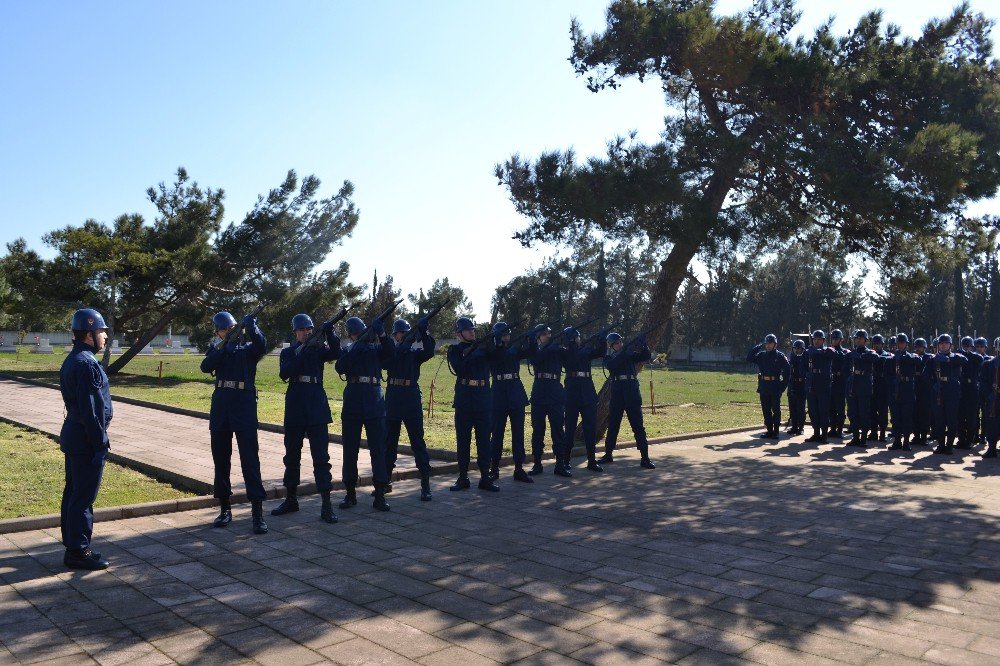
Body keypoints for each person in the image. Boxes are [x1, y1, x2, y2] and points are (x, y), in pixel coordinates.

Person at [200, 311, 269, 534]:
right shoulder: (218, 348)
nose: (228, 332)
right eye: (223, 329)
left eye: (230, 328)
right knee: (221, 459)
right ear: (217, 332)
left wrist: (253, 327)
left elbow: (262, 346)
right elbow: (206, 366)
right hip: (221, 406)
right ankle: (224, 508)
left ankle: (257, 513)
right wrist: (223, 350)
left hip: (244, 405)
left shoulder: (248, 348)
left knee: (250, 459)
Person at [272, 314, 339, 523]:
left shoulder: (320, 350)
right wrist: (305, 350)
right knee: (291, 457)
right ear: (295, 332)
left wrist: (331, 333)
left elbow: (337, 352)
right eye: (301, 330)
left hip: (316, 406)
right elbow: (285, 373)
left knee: (321, 458)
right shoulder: (289, 352)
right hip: (295, 407)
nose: (306, 332)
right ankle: (291, 499)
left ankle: (326, 504)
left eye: (308, 329)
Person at [59, 308, 112, 570]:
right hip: (85, 439)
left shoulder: (74, 359)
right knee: (83, 497)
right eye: (101, 331)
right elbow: (92, 412)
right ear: (90, 334)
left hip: (74, 435)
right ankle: (78, 551)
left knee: (73, 493)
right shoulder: (87, 363)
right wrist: (100, 442)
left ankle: (72, 544)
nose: (104, 336)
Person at [335, 316, 394, 511]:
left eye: (361, 332)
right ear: (351, 336)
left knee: (378, 449)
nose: (359, 336)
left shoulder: (376, 349)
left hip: (374, 399)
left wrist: (384, 335)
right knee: (350, 450)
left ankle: (380, 492)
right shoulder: (349, 350)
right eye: (356, 334)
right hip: (353, 400)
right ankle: (350, 493)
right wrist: (356, 349)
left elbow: (391, 355)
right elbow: (340, 367)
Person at [383, 317, 435, 501]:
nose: (403, 335)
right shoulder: (391, 352)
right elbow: (390, 360)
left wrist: (424, 332)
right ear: (395, 335)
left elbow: (429, 351)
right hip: (394, 397)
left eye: (406, 332)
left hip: (411, 396)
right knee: (389, 442)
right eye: (401, 333)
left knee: (417, 442)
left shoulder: (414, 354)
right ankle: (385, 481)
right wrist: (407, 343)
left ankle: (425, 484)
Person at [447, 317, 499, 492]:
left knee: (484, 440)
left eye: (473, 329)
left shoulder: (484, 348)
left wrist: (492, 342)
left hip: (483, 398)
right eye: (468, 330)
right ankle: (463, 477)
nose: (472, 332)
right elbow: (459, 368)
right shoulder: (455, 350)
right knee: (463, 440)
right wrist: (475, 351)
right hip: (464, 399)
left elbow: (497, 357)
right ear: (459, 333)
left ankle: (485, 477)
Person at [487, 322, 534, 483]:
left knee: (518, 434)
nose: (507, 337)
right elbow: (498, 355)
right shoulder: (492, 349)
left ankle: (519, 468)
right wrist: (499, 342)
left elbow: (530, 352)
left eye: (508, 334)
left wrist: (532, 340)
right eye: (503, 334)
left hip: (515, 393)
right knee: (497, 433)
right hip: (499, 393)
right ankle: (494, 468)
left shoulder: (514, 349)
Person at [600, 332, 655, 468]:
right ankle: (608, 454)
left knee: (638, 427)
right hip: (618, 392)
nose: (619, 345)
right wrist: (626, 352)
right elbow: (612, 365)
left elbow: (646, 356)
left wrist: (644, 346)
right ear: (611, 346)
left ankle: (645, 458)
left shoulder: (630, 355)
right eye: (616, 343)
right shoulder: (609, 357)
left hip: (631, 392)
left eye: (620, 342)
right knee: (613, 426)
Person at [563, 327, 608, 471]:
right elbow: (571, 358)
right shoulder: (565, 351)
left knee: (590, 428)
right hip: (572, 393)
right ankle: (565, 460)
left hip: (587, 392)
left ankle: (592, 461)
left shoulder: (585, 351)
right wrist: (580, 347)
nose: (579, 339)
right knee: (569, 427)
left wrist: (601, 340)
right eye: (577, 337)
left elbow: (600, 352)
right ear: (572, 339)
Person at [529, 325, 570, 476]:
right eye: (544, 334)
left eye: (549, 333)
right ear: (538, 337)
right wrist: (551, 346)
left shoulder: (557, 349)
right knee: (538, 430)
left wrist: (568, 341)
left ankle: (560, 464)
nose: (547, 335)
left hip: (555, 391)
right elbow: (535, 359)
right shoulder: (536, 349)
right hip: (539, 392)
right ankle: (537, 463)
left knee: (558, 429)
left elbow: (570, 356)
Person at [924, 333, 968, 455]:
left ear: (950, 345)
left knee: (951, 419)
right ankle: (941, 445)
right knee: (939, 419)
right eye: (941, 343)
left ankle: (949, 446)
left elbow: (965, 360)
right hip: (938, 391)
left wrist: (949, 359)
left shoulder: (956, 357)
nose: (943, 345)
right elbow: (925, 375)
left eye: (946, 343)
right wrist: (933, 383)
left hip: (952, 391)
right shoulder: (933, 359)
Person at [745, 334, 790, 439]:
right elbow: (749, 358)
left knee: (776, 409)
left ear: (775, 344)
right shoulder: (761, 355)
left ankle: (776, 432)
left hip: (775, 386)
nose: (768, 345)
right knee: (766, 409)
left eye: (770, 343)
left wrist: (782, 387)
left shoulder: (780, 356)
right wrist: (758, 346)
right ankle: (769, 431)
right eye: (767, 343)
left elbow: (787, 373)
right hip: (764, 385)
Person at [845, 330, 880, 447]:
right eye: (857, 338)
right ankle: (855, 437)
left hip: (864, 386)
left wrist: (862, 356)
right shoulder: (851, 353)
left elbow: (876, 357)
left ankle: (863, 438)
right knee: (853, 413)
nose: (858, 340)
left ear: (865, 340)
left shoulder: (869, 353)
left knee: (864, 413)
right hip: (853, 385)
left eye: (861, 338)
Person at [887, 333, 921, 451]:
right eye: (898, 343)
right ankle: (897, 441)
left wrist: (902, 357)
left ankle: (906, 441)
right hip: (895, 390)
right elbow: (887, 375)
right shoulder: (890, 359)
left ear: (906, 344)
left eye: (902, 343)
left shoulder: (911, 357)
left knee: (907, 417)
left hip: (907, 390)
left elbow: (918, 360)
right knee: (896, 417)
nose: (900, 345)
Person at [804, 330, 837, 443]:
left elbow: (832, 353)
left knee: (823, 411)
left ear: (823, 340)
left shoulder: (828, 350)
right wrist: (806, 374)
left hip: (823, 385)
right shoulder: (808, 352)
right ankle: (816, 433)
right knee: (813, 411)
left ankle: (824, 435)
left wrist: (817, 351)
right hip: (811, 384)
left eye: (819, 339)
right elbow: (802, 366)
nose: (816, 341)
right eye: (814, 339)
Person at [957, 336, 984, 449]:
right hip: (961, 387)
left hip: (972, 388)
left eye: (968, 346)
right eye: (964, 346)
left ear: (972, 347)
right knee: (960, 416)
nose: (966, 348)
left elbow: (979, 359)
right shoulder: (958, 356)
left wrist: (966, 354)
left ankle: (969, 440)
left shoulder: (976, 357)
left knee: (971, 417)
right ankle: (961, 439)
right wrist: (960, 354)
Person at [828, 330, 851, 438]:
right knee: (831, 407)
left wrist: (834, 352)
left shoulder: (845, 351)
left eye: (836, 339)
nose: (834, 341)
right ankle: (832, 428)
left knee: (840, 407)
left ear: (841, 340)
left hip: (840, 381)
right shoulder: (829, 350)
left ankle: (839, 430)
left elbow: (844, 358)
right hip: (830, 380)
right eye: (833, 338)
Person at [912, 338, 935, 446]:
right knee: (915, 413)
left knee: (925, 414)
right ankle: (916, 436)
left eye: (920, 347)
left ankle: (924, 437)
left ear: (924, 347)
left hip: (926, 389)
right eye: (916, 347)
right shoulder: (912, 357)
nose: (917, 349)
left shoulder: (929, 358)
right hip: (914, 388)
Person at [870, 334, 892, 442]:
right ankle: (873, 432)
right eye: (874, 343)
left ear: (882, 344)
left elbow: (888, 358)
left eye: (878, 344)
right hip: (872, 386)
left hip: (883, 387)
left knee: (883, 412)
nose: (876, 346)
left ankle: (882, 433)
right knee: (872, 411)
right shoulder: (870, 354)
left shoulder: (887, 354)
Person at [980, 337, 1000, 458]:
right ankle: (992, 448)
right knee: (992, 424)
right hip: (994, 398)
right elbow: (983, 382)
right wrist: (990, 395)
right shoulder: (989, 364)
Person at [787, 339, 807, 435]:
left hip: (801, 385)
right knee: (792, 407)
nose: (797, 351)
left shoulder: (804, 359)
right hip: (792, 385)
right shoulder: (791, 359)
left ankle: (801, 427)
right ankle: (794, 426)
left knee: (800, 408)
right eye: (795, 349)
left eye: (799, 349)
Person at [976, 337, 993, 448]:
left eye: (981, 346)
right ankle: (975, 435)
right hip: (974, 389)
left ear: (985, 347)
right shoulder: (972, 358)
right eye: (977, 346)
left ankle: (984, 435)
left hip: (985, 390)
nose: (979, 348)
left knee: (986, 414)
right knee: (975, 414)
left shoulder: (989, 360)